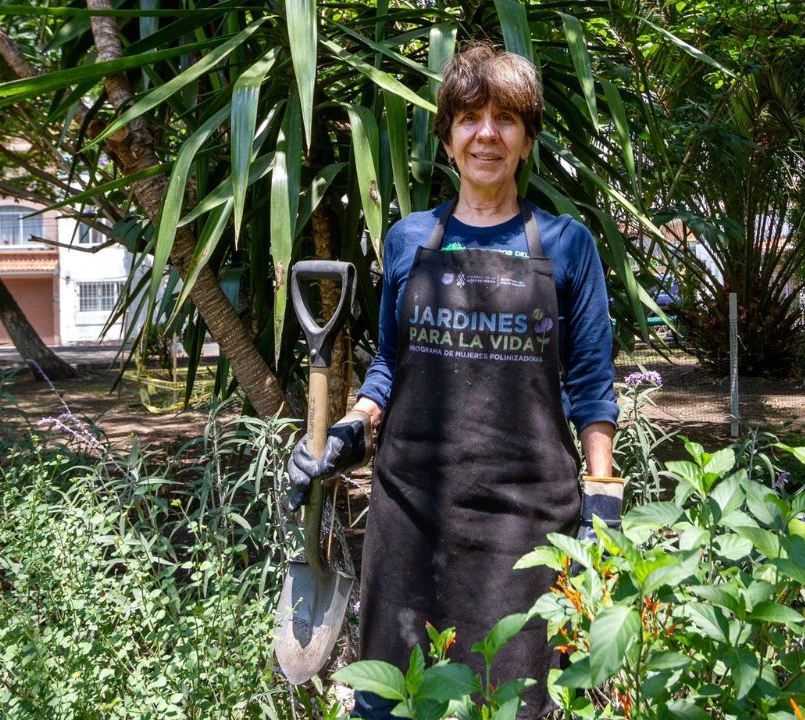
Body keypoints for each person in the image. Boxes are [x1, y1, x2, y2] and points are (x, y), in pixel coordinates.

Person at [288, 43, 620, 720]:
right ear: (447, 137)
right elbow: (390, 365)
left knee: (515, 700)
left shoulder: (565, 246)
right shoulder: (410, 240)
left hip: (525, 525)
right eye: (469, 118)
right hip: (412, 517)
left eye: (505, 119)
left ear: (527, 140)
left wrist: (602, 502)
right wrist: (351, 431)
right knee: (397, 699)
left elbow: (591, 384)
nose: (486, 134)